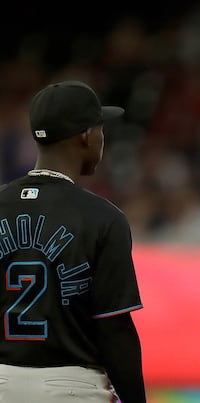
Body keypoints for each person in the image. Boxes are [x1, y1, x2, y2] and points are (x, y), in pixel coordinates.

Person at [0, 80, 146, 402]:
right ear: (86, 135)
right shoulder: (103, 217)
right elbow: (114, 330)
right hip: (71, 387)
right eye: (101, 128)